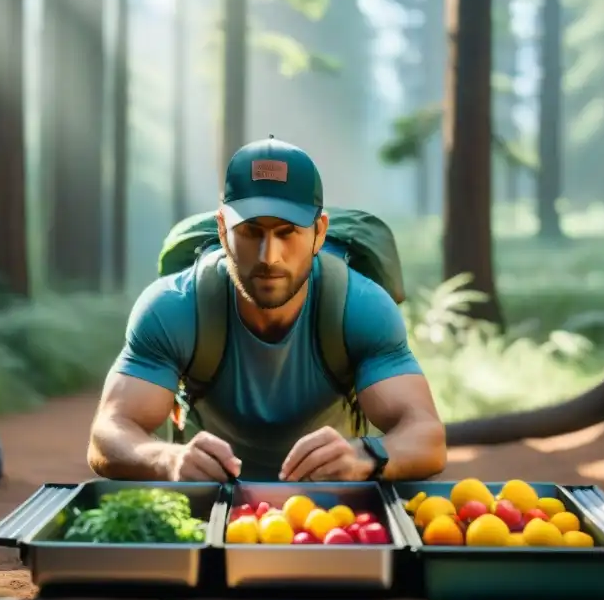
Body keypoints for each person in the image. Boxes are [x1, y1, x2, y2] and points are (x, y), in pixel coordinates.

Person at [87, 137, 446, 483]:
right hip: (211, 510)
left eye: (287, 232)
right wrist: (168, 460)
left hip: (330, 518)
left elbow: (426, 435)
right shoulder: (174, 308)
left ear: (319, 233)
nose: (268, 256)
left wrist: (365, 458)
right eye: (251, 231)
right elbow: (108, 433)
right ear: (223, 228)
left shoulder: (360, 307)